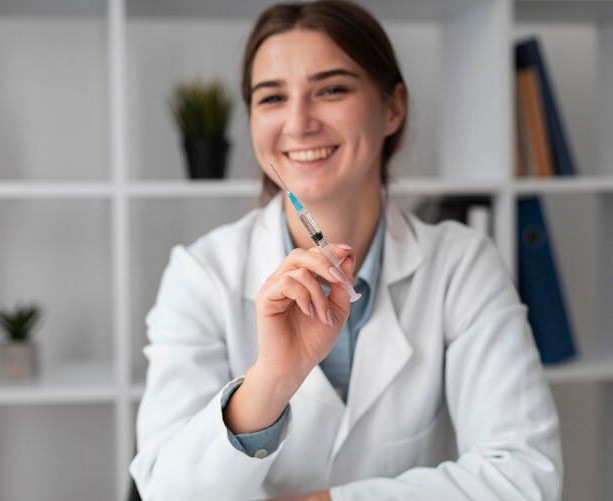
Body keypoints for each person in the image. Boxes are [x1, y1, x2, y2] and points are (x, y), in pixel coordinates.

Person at [130, 1, 562, 500]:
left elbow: (525, 478)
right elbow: (167, 491)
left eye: (331, 89)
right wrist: (272, 379)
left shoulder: (461, 267)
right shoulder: (201, 274)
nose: (298, 123)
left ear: (393, 108)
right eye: (271, 98)